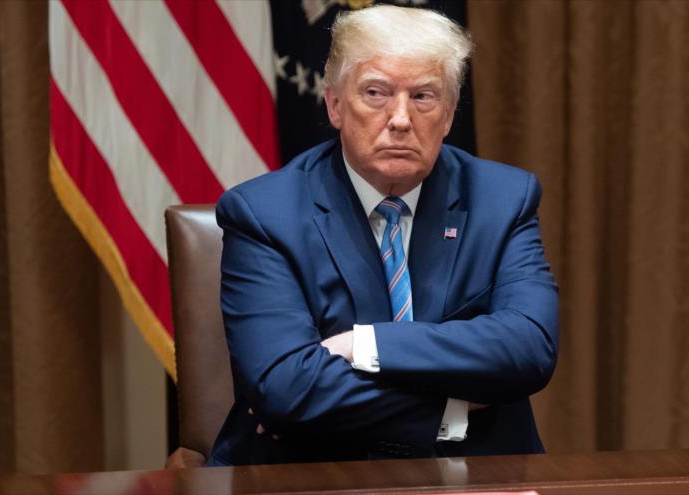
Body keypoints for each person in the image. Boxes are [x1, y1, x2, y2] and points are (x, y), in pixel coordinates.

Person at [206, 4, 558, 466]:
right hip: (311, 471)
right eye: (376, 93)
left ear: (449, 114)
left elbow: (528, 347)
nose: (399, 119)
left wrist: (365, 345)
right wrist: (454, 406)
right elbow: (287, 388)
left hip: (478, 468)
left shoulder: (503, 198)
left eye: (424, 97)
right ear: (334, 104)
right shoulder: (264, 214)